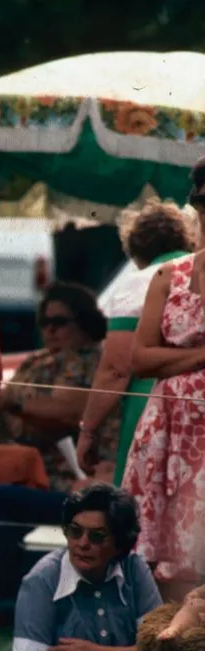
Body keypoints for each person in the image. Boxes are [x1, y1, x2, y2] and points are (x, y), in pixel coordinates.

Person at [2, 484, 162, 651]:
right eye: (75, 532)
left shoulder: (135, 570)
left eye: (97, 536)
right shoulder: (42, 580)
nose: (83, 544)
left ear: (119, 542)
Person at [122, 164, 205, 599]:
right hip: (170, 429)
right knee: (163, 557)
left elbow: (156, 356)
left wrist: (176, 361)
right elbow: (140, 357)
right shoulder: (168, 277)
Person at [77, 200, 195, 485]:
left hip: (155, 409)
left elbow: (117, 369)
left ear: (136, 251)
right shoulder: (197, 272)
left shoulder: (139, 282)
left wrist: (88, 430)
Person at [0, 282, 116, 492]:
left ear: (85, 323)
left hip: (67, 480)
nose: (50, 329)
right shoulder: (35, 360)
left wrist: (13, 402)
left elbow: (70, 413)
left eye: (60, 322)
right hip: (16, 469)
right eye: (44, 321)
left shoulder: (94, 361)